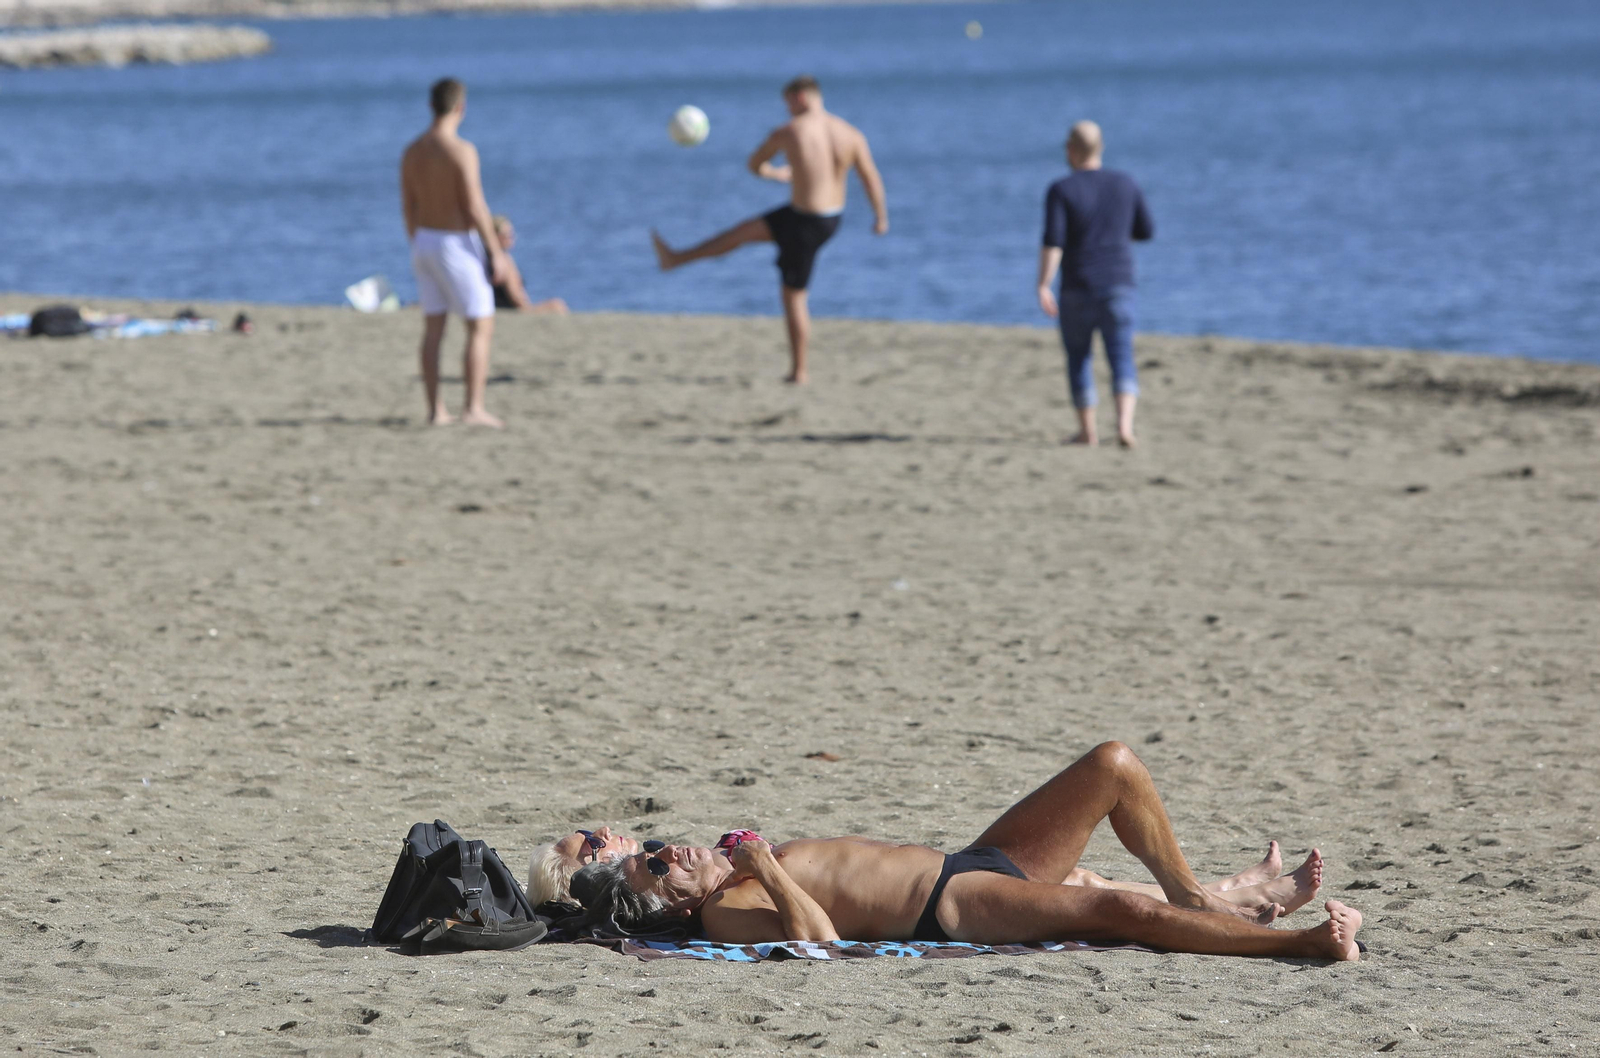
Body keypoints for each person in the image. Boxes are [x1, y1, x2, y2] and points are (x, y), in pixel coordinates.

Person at [572, 741, 1363, 961]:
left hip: (971, 861)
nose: (672, 849)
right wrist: (765, 867)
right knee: (1122, 909)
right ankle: (1298, 946)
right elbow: (820, 942)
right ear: (669, 902)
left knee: (1113, 766)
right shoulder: (723, 915)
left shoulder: (730, 872)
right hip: (952, 907)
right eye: (659, 864)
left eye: (656, 846)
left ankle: (1200, 895)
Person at [651, 75, 889, 385]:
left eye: (787, 103)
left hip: (805, 223)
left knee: (793, 296)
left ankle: (799, 372)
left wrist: (774, 173)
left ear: (800, 98)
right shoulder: (850, 133)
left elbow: (754, 164)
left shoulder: (790, 131)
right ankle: (675, 258)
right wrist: (880, 217)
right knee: (740, 233)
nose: (787, 109)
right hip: (827, 218)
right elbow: (870, 177)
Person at [1036, 120, 1154, 448]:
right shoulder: (1125, 184)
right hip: (1119, 282)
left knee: (1079, 357)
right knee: (1121, 353)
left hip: (1078, 285)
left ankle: (1088, 432)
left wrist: (1043, 283)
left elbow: (1053, 242)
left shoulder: (1061, 189)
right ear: (1100, 148)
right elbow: (1145, 230)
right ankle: (1124, 427)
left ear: (1071, 150)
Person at [400, 77, 509, 428]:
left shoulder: (412, 151)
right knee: (480, 325)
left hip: (423, 240)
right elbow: (474, 206)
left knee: (433, 328)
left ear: (431, 106)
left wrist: (416, 240)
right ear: (460, 108)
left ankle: (436, 411)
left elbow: (408, 206)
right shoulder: (462, 151)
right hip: (455, 243)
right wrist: (496, 252)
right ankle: (473, 408)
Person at [488, 215, 569, 315]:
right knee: (557, 305)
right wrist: (529, 309)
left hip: (508, 308)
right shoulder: (503, 261)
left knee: (556, 305)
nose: (511, 238)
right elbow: (516, 298)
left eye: (511, 234)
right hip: (514, 311)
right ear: (494, 237)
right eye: (506, 235)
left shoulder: (494, 258)